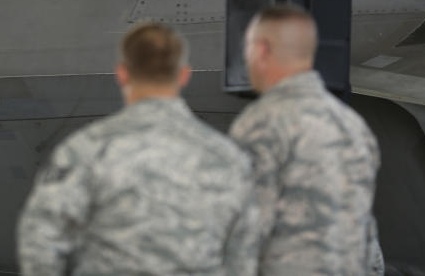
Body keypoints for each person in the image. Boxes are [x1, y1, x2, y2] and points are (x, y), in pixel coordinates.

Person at [17, 22, 259, 276]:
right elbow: (244, 254)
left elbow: (41, 237)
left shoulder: (85, 149)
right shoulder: (228, 158)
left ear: (122, 73)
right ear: (185, 74)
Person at [229, 4, 384, 275]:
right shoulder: (354, 126)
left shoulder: (261, 124)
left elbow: (245, 235)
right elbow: (366, 234)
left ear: (261, 49)